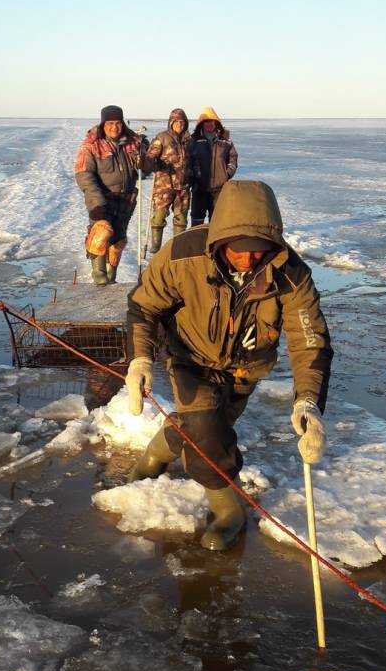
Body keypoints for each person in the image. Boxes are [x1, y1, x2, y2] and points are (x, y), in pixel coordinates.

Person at [125, 180, 333, 551]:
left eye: (259, 250)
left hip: (246, 369)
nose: (249, 258)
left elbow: (310, 340)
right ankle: (228, 511)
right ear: (221, 238)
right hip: (190, 357)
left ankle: (156, 455)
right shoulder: (182, 255)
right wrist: (140, 359)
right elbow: (144, 306)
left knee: (205, 426)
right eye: (240, 249)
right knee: (207, 429)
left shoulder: (291, 273)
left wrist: (308, 402)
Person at [75, 105, 146, 285]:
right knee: (101, 232)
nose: (114, 127)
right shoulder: (91, 145)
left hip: (126, 199)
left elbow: (143, 169)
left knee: (118, 240)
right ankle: (99, 277)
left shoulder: (132, 144)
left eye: (118, 123)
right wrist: (97, 204)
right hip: (102, 198)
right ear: (103, 123)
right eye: (110, 123)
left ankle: (111, 277)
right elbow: (84, 175)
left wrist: (146, 159)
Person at [143, 108, 194, 253]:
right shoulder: (162, 138)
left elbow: (192, 161)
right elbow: (150, 157)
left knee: (181, 218)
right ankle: (156, 246)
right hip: (164, 186)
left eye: (183, 122)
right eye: (177, 122)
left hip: (183, 186)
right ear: (171, 123)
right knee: (159, 217)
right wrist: (151, 163)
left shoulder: (188, 140)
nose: (180, 125)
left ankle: (177, 248)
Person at [190, 107, 238, 227]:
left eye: (212, 121)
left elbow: (233, 158)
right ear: (201, 123)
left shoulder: (225, 140)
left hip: (219, 189)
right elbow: (188, 160)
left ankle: (214, 246)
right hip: (199, 189)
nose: (209, 124)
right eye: (206, 122)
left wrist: (227, 174)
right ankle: (198, 246)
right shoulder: (194, 140)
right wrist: (195, 175)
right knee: (197, 223)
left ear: (216, 122)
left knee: (217, 224)